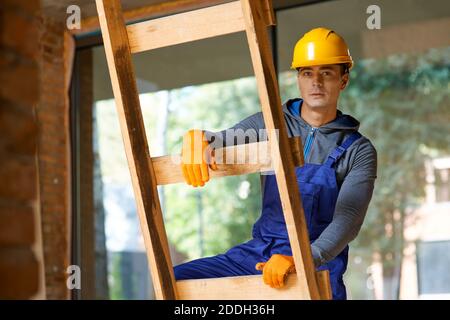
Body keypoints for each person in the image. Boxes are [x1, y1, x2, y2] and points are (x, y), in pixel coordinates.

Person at [174, 27, 377, 300]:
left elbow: (348, 220)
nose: (316, 82)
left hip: (318, 260)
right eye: (307, 73)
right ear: (299, 79)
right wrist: (199, 138)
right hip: (258, 252)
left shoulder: (358, 150)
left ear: (343, 80)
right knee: (174, 280)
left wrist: (302, 259)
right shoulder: (270, 124)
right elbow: (221, 140)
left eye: (326, 73)